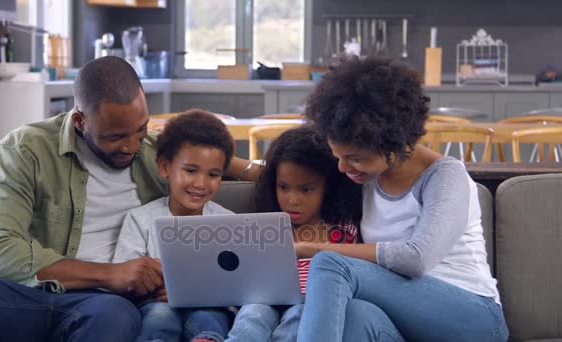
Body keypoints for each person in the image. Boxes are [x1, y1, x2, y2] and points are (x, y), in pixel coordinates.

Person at [0, 56, 257, 341]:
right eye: (115, 137)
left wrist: (248, 168)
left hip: (101, 305)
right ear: (79, 122)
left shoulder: (153, 151)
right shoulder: (26, 150)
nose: (131, 146)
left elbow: (205, 157)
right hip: (27, 295)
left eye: (140, 130)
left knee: (116, 317)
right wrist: (112, 274)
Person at [294, 57, 509, 341]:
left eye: (355, 158)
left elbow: (415, 258)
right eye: (338, 157)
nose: (343, 168)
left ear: (397, 144)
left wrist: (308, 248)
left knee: (330, 263)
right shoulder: (364, 175)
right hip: (405, 319)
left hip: (474, 317)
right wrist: (228, 163)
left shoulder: (445, 177)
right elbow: (290, 173)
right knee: (356, 315)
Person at [227, 125, 363, 342]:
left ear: (327, 186)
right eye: (283, 187)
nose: (293, 200)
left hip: (310, 304)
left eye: (306, 189)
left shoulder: (343, 230)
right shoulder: (264, 225)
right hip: (264, 300)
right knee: (252, 314)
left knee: (299, 317)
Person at [114, 110, 237, 342]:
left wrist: (191, 291)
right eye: (190, 171)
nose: (201, 183)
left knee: (208, 318)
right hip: (156, 305)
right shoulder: (140, 219)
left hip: (210, 306)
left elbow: (238, 282)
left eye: (213, 174)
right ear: (164, 168)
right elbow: (125, 278)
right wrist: (152, 285)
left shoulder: (228, 222)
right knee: (160, 317)